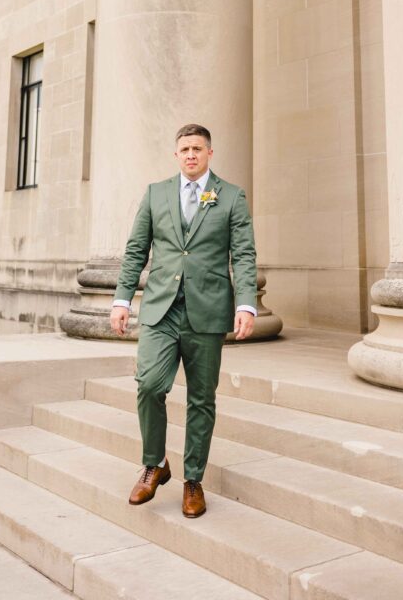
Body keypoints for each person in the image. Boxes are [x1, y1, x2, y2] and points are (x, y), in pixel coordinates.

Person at [110, 123, 257, 518]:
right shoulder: (156, 194)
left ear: (210, 153)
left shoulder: (231, 197)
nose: (191, 154)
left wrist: (246, 304)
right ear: (176, 155)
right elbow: (137, 248)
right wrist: (122, 298)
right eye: (184, 149)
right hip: (161, 308)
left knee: (201, 400)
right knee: (149, 385)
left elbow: (242, 255)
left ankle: (193, 479)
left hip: (207, 311)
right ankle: (155, 463)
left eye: (198, 148)